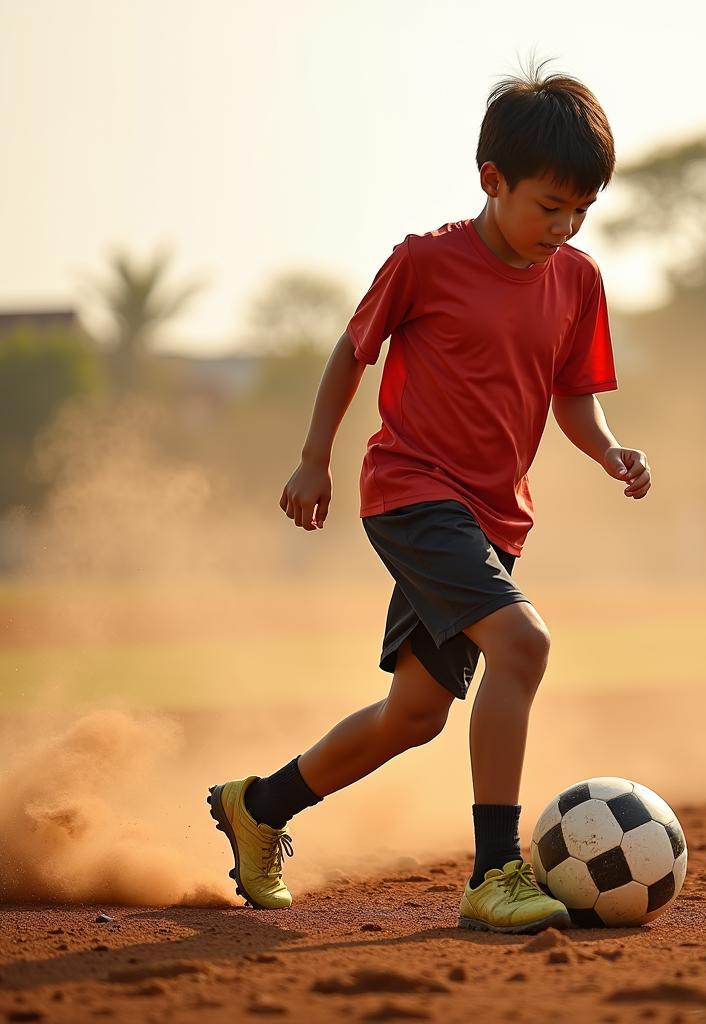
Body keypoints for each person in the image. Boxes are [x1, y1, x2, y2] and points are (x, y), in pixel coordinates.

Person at [207, 58, 652, 934]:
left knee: (415, 715)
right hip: (411, 492)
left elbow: (571, 392)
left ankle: (260, 805)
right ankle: (494, 873)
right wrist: (313, 459)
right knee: (523, 644)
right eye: (547, 205)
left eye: (580, 211)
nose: (561, 226)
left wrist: (606, 449)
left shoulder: (577, 279)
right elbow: (352, 351)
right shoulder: (424, 261)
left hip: (495, 516)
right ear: (492, 180)